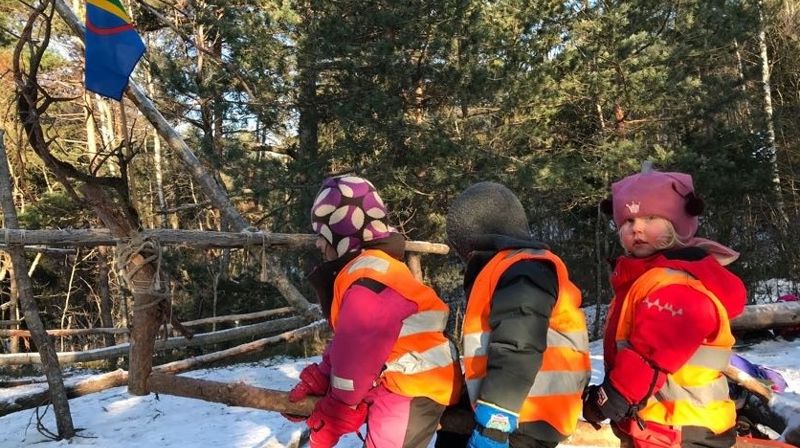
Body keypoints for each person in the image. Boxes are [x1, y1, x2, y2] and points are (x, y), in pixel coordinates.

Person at [284, 175, 461, 448]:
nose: (318, 244)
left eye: (322, 235)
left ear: (341, 234)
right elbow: (350, 342)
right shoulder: (372, 268)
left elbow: (358, 353)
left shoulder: (369, 281)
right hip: (403, 381)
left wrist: (335, 414)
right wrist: (323, 376)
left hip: (415, 387)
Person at [583, 164, 747, 448]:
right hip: (661, 424)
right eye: (628, 222)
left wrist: (609, 399)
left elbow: (651, 353)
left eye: (650, 218)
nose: (638, 229)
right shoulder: (646, 278)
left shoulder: (676, 283)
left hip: (682, 426)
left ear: (677, 224)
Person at [444, 181, 591, 448]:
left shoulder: (524, 269)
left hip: (524, 415)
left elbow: (518, 347)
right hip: (519, 409)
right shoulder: (507, 269)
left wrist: (495, 421)